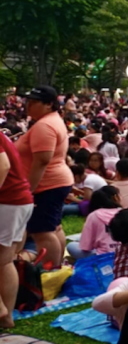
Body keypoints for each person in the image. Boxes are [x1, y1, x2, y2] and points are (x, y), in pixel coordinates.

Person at [17, 86, 75, 268]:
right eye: (28, 102)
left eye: (34, 103)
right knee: (53, 227)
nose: (28, 106)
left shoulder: (45, 125)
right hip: (54, 182)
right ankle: (56, 267)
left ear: (49, 104)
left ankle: (51, 271)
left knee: (42, 232)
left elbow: (42, 161)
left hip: (46, 185)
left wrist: (29, 190)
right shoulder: (50, 121)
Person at [0, 129, 33, 328]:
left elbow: (3, 165)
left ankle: (2, 310)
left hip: (8, 202)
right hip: (18, 200)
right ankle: (6, 318)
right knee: (4, 260)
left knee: (4, 259)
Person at [67, 185, 122, 260]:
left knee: (71, 245)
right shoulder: (125, 213)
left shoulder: (94, 215)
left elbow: (86, 247)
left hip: (101, 257)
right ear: (116, 197)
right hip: (124, 254)